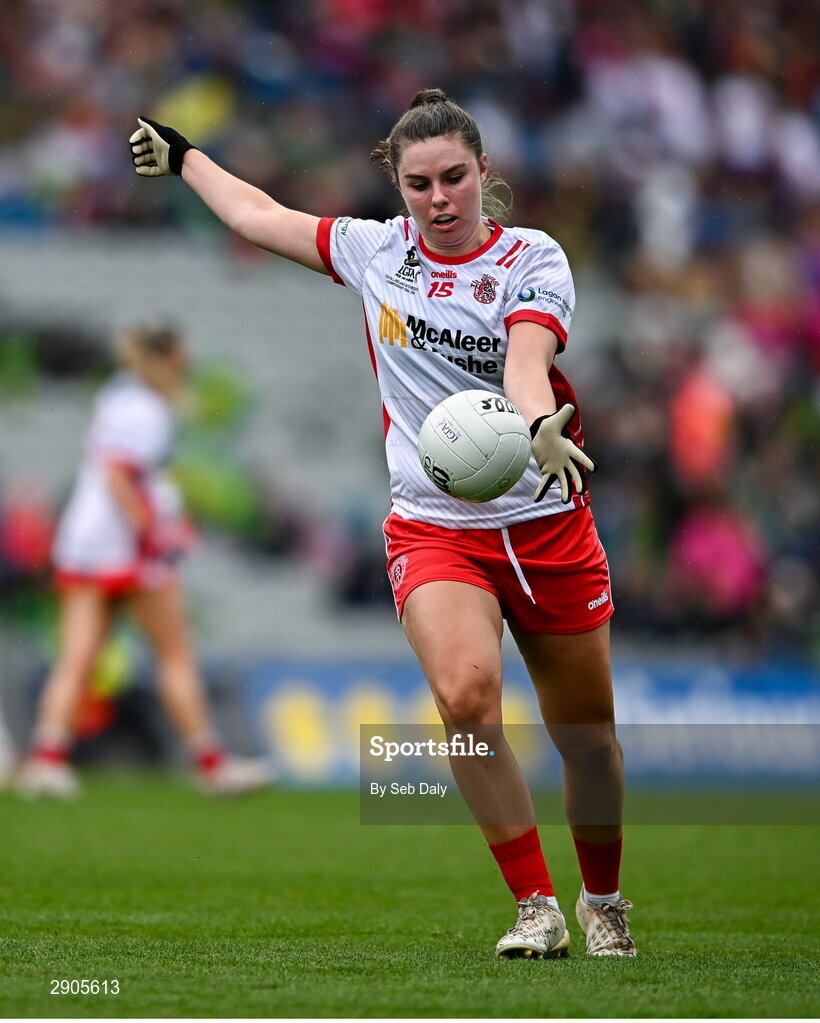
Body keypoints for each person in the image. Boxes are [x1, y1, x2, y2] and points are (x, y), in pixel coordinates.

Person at [128, 89, 636, 958]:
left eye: (454, 178)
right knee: (467, 695)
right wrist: (186, 159)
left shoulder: (532, 257)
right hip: (435, 526)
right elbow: (259, 216)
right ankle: (536, 907)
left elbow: (525, 358)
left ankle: (605, 899)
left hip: (546, 521)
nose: (439, 199)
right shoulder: (375, 253)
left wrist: (535, 419)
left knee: (586, 741)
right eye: (418, 184)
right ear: (396, 186)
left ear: (484, 174)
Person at [16, 324, 274, 799]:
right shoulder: (147, 408)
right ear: (169, 356)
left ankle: (46, 760)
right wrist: (154, 531)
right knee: (174, 654)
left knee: (77, 657)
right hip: (126, 546)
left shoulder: (117, 396)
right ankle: (211, 764)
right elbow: (121, 475)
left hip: (86, 542)